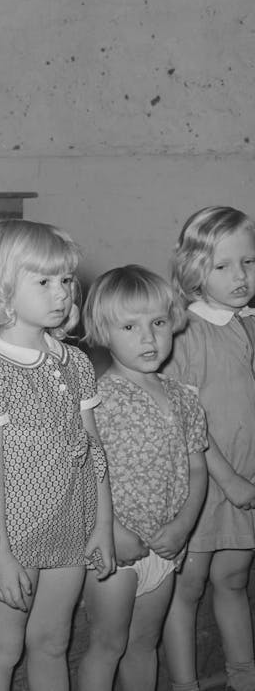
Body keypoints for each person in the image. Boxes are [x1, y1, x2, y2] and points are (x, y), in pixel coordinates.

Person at [0, 218, 116, 691]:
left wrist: (103, 526)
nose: (62, 293)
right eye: (45, 281)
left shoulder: (74, 361)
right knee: (2, 647)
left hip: (72, 525)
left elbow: (95, 453)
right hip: (15, 531)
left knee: (52, 641)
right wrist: (2, 554)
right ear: (3, 287)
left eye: (67, 281)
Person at [78, 265, 207, 691]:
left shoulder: (184, 398)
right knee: (107, 644)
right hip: (117, 544)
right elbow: (85, 471)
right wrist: (112, 529)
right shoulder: (100, 399)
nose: (148, 338)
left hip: (166, 544)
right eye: (129, 326)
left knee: (144, 642)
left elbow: (195, 468)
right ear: (102, 331)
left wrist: (183, 527)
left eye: (157, 323)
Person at [162, 206, 255, 691]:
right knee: (189, 587)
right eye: (222, 266)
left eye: (249, 262)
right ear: (195, 268)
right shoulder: (186, 332)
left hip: (247, 481)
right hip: (207, 483)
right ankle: (184, 682)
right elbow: (184, 419)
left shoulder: (251, 322)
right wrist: (229, 480)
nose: (239, 277)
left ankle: (244, 677)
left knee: (234, 581)